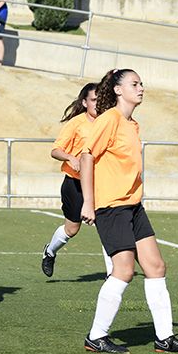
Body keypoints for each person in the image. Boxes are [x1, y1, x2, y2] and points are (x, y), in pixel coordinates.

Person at [79, 68, 178, 354]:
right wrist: (87, 202)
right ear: (119, 90)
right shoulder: (109, 119)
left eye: (141, 83)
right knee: (124, 270)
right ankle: (96, 336)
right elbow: (86, 156)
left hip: (133, 206)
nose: (141, 87)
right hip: (111, 206)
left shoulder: (132, 124)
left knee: (156, 267)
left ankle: (165, 338)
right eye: (134, 84)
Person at [41, 82, 115, 278]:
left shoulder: (107, 121)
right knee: (71, 229)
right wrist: (70, 158)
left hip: (100, 185)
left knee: (106, 227)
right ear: (84, 102)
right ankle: (50, 251)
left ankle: (112, 275)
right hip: (75, 183)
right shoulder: (76, 124)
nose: (97, 104)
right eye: (93, 100)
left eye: (100, 100)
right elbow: (55, 150)